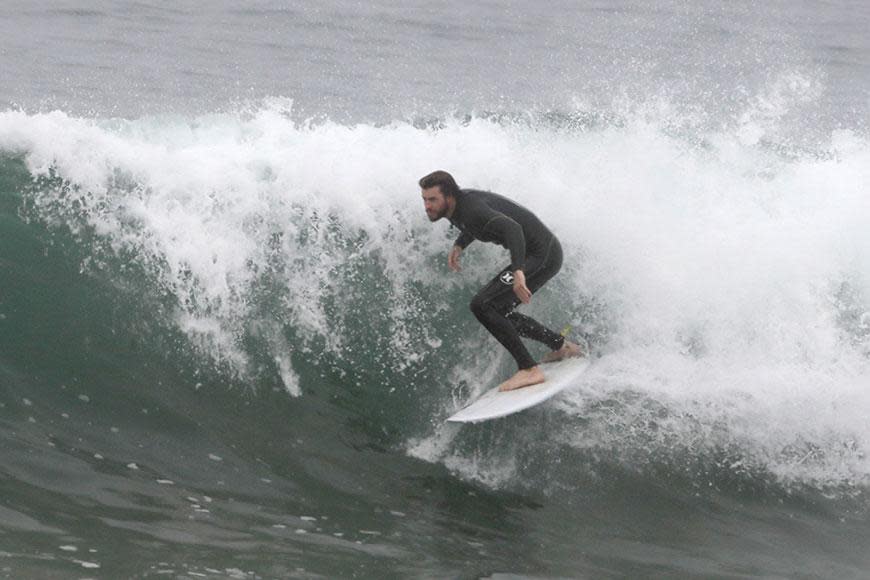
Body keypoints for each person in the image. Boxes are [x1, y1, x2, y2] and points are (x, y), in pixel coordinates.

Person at [419, 170, 584, 391]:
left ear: (448, 197)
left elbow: (512, 228)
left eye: (432, 200)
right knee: (498, 311)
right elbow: (477, 225)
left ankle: (529, 370)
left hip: (542, 254)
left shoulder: (471, 209)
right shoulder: (458, 206)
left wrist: (518, 271)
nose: (427, 206)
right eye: (424, 199)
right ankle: (562, 346)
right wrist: (460, 244)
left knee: (482, 304)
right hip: (538, 253)